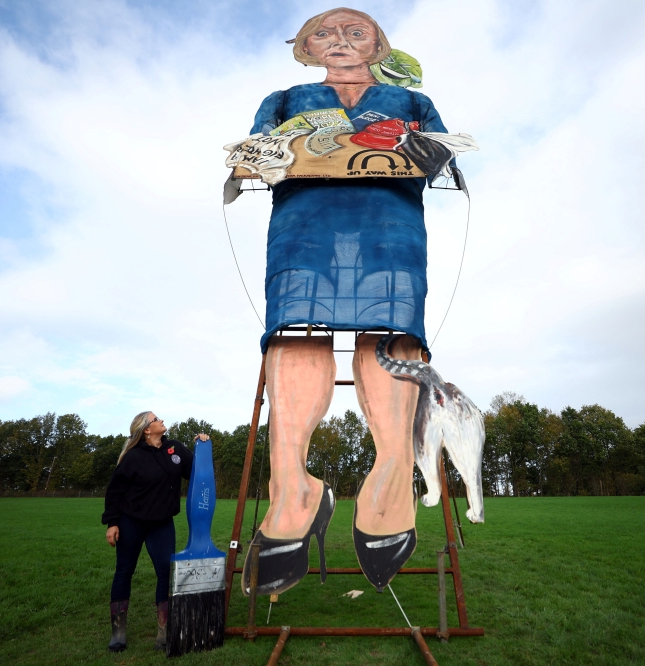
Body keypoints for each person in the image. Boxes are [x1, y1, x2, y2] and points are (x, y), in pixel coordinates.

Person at [243, 7, 451, 596]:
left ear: (379, 45)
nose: (339, 40)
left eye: (355, 31)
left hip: (390, 223)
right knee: (295, 327)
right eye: (324, 33)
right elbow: (255, 153)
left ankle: (392, 475)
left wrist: (424, 150)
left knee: (392, 329)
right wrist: (258, 158)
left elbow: (443, 155)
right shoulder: (285, 99)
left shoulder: (412, 102)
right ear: (306, 48)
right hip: (305, 223)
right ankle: (291, 486)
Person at [101, 411, 203, 652]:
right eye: (156, 419)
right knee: (124, 571)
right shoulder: (132, 457)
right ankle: (118, 633)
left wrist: (201, 446)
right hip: (131, 521)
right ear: (146, 429)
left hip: (162, 523)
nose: (161, 420)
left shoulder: (175, 449)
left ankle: (163, 632)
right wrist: (112, 523)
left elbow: (197, 471)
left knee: (165, 572)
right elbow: (114, 491)